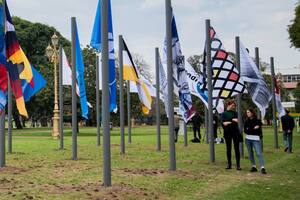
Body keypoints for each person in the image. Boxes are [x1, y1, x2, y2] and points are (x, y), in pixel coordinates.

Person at [244, 108, 266, 174]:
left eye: (248, 112)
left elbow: (258, 130)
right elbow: (245, 131)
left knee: (259, 153)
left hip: (256, 139)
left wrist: (250, 129)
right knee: (250, 153)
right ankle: (253, 166)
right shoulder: (246, 121)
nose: (247, 113)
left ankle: (262, 167)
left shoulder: (258, 121)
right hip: (248, 139)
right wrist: (253, 128)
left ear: (252, 113)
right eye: (247, 112)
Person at [221, 100, 241, 170]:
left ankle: (238, 165)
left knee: (237, 149)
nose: (234, 107)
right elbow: (224, 123)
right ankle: (229, 164)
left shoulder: (235, 113)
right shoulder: (223, 114)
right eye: (232, 105)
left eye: (234, 106)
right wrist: (232, 120)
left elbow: (237, 121)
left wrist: (229, 121)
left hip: (235, 132)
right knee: (228, 149)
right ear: (228, 105)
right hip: (227, 133)